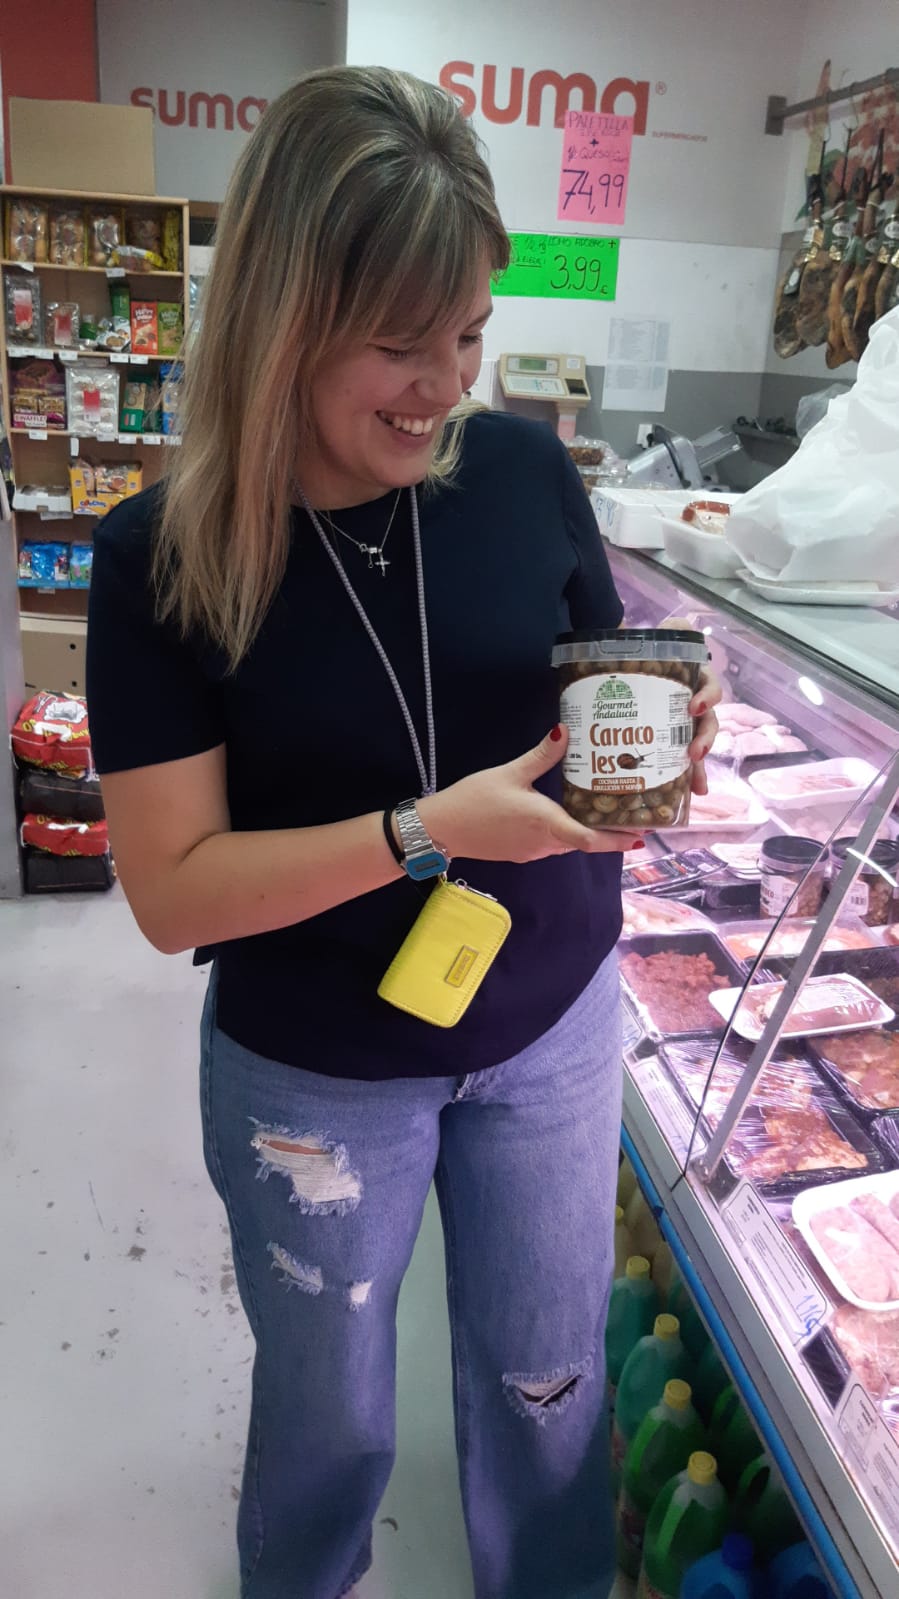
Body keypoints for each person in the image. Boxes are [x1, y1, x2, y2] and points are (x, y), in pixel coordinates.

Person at [86, 65, 720, 1599]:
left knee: (548, 1393)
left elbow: (601, 687)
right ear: (286, 321)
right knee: (331, 1423)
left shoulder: (521, 473)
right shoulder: (165, 557)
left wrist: (662, 733)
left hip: (552, 1024)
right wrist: (422, 831)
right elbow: (172, 896)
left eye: (470, 336)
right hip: (316, 1072)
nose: (445, 386)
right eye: (399, 343)